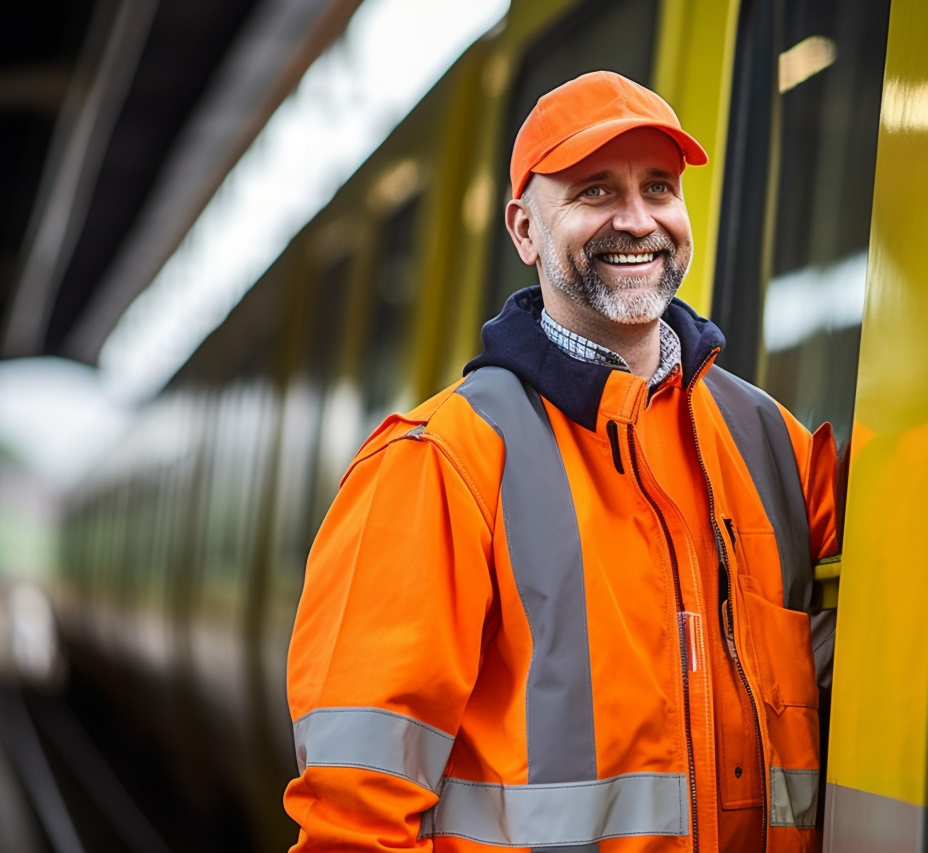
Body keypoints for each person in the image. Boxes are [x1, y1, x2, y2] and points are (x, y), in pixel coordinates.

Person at [284, 70, 839, 852]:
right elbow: (353, 818)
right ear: (523, 229)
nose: (637, 220)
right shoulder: (438, 464)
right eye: (594, 192)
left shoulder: (772, 445)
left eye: (658, 187)